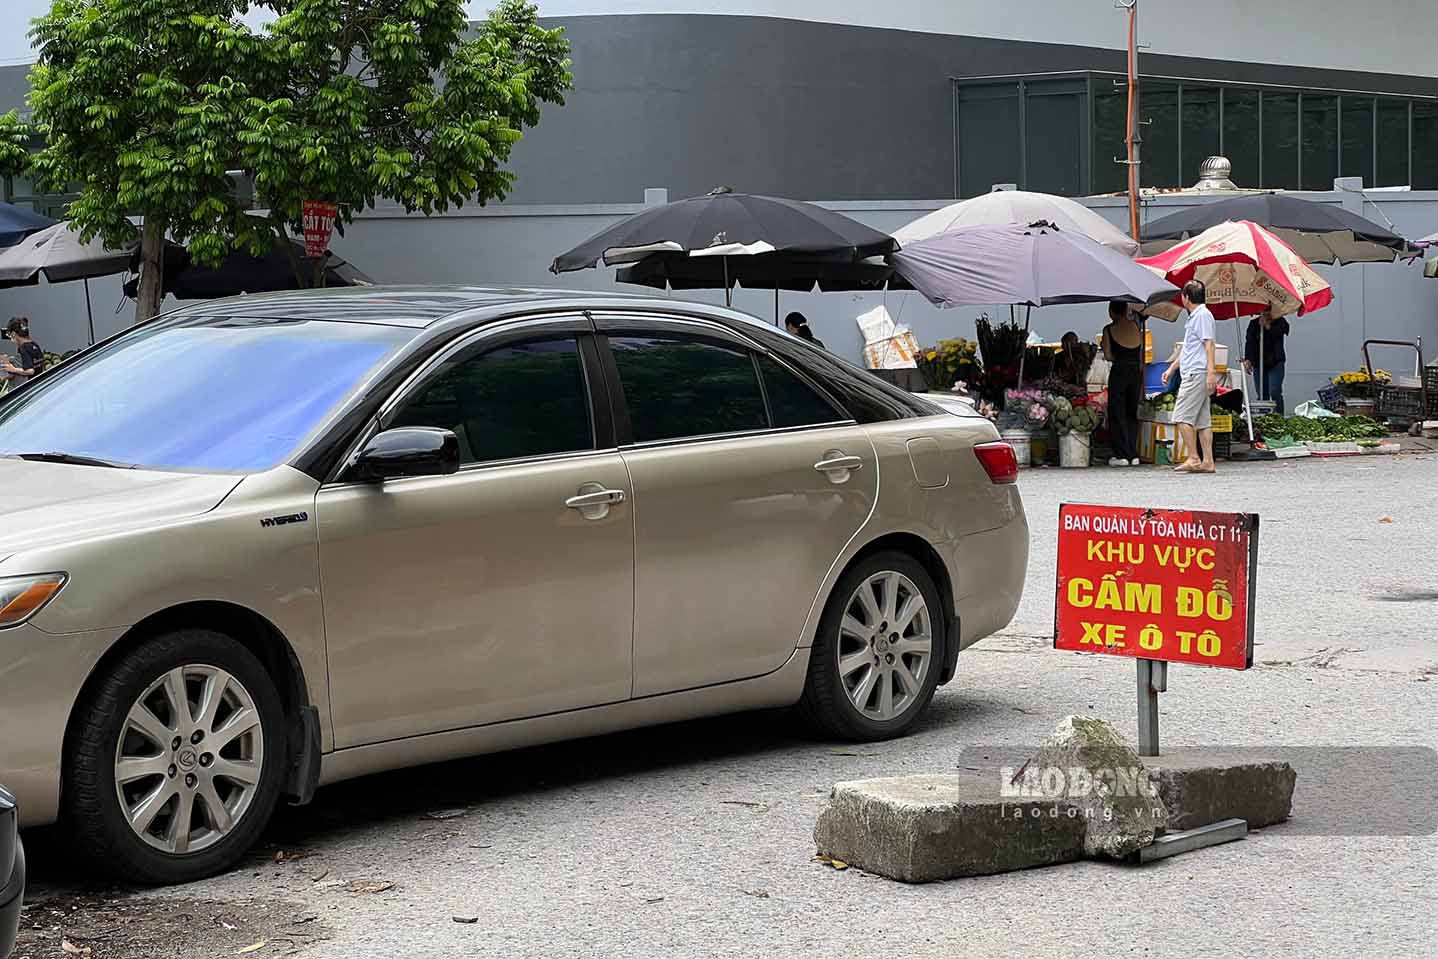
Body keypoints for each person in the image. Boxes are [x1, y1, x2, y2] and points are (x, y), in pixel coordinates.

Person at [1162, 281, 1217, 474]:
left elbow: (1209, 344)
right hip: (1195, 371)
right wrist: (1172, 369)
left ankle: (1193, 457)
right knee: (1203, 421)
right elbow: (1188, 348)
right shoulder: (1196, 316)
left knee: (1181, 416)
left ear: (1186, 297)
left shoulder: (1201, 316)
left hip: (1196, 373)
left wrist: (1211, 372)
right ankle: (1208, 461)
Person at [1101, 302, 1143, 467]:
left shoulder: (1108, 330)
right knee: (1132, 412)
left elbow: (1109, 355)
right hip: (1135, 372)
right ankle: (1133, 454)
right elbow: (1139, 354)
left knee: (1117, 412)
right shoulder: (1135, 326)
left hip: (1119, 371)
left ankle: (1121, 454)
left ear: (1111, 312)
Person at [1243, 309, 1290, 415]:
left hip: (1275, 362)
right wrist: (1248, 359)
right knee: (1262, 393)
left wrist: (1268, 326)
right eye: (1264, 311)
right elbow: (1249, 343)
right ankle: (1264, 419)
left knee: (1275, 390)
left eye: (1269, 310)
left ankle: (1279, 417)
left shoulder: (1280, 321)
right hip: (1259, 363)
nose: (1267, 313)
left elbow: (1283, 332)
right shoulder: (1254, 324)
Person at [0, 316, 44, 394]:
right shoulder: (34, 345)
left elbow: (30, 371)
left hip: (28, 389)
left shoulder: (23, 348)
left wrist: (13, 369)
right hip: (38, 386)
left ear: (13, 334)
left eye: (10, 335)